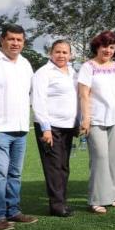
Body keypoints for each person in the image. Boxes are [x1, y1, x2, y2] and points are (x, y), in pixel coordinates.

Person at [0, 24, 37, 230]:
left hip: (20, 128)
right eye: (11, 39)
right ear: (2, 40)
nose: (15, 43)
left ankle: (13, 211)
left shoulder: (25, 64)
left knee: (15, 174)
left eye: (19, 40)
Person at [78, 31, 115, 214]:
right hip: (96, 120)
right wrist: (86, 118)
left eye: (112, 47)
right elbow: (84, 94)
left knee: (114, 159)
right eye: (104, 46)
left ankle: (113, 196)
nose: (108, 50)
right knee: (100, 158)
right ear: (97, 47)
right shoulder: (88, 67)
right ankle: (96, 200)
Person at [31, 39, 78, 217]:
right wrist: (46, 128)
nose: (61, 55)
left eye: (65, 52)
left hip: (68, 127)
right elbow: (38, 101)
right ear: (51, 53)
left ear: (70, 55)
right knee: (54, 167)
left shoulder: (73, 72)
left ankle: (61, 202)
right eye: (57, 52)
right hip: (50, 128)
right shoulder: (43, 73)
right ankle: (57, 206)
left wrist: (79, 121)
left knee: (64, 166)